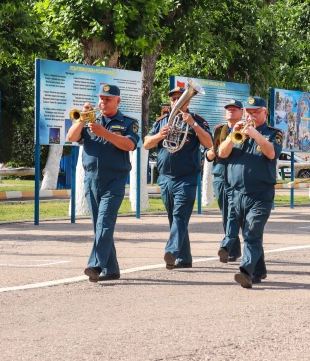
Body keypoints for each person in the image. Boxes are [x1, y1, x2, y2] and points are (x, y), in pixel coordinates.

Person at [66, 84, 139, 283]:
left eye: (108, 99)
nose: (103, 102)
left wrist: (103, 132)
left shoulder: (127, 123)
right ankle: (112, 269)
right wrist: (82, 119)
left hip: (114, 179)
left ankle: (96, 265)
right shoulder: (91, 119)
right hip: (91, 179)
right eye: (101, 98)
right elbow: (71, 137)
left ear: (118, 101)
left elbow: (130, 145)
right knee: (99, 226)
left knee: (104, 223)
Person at [143, 86, 213, 270]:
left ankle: (171, 251)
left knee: (180, 216)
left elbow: (209, 143)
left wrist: (193, 125)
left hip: (187, 177)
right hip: (165, 177)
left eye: (180, 99)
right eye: (173, 99)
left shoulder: (197, 121)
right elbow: (146, 144)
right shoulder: (161, 121)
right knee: (174, 218)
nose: (176, 102)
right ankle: (185, 258)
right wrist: (160, 135)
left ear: (188, 101)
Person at [217, 96, 283, 288]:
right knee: (249, 233)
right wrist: (232, 136)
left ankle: (245, 271)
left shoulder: (273, 133)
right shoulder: (236, 132)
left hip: (260, 193)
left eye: (256, 112)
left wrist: (256, 135)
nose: (252, 115)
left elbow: (271, 153)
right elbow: (221, 154)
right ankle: (259, 270)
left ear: (265, 113)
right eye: (249, 112)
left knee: (252, 232)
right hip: (236, 193)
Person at [206, 99, 244, 263]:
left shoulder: (247, 129)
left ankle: (229, 246)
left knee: (235, 213)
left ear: (242, 112)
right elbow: (212, 154)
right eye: (229, 109)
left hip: (238, 176)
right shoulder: (219, 130)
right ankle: (233, 251)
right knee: (226, 213)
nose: (231, 111)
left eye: (235, 109)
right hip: (221, 175)